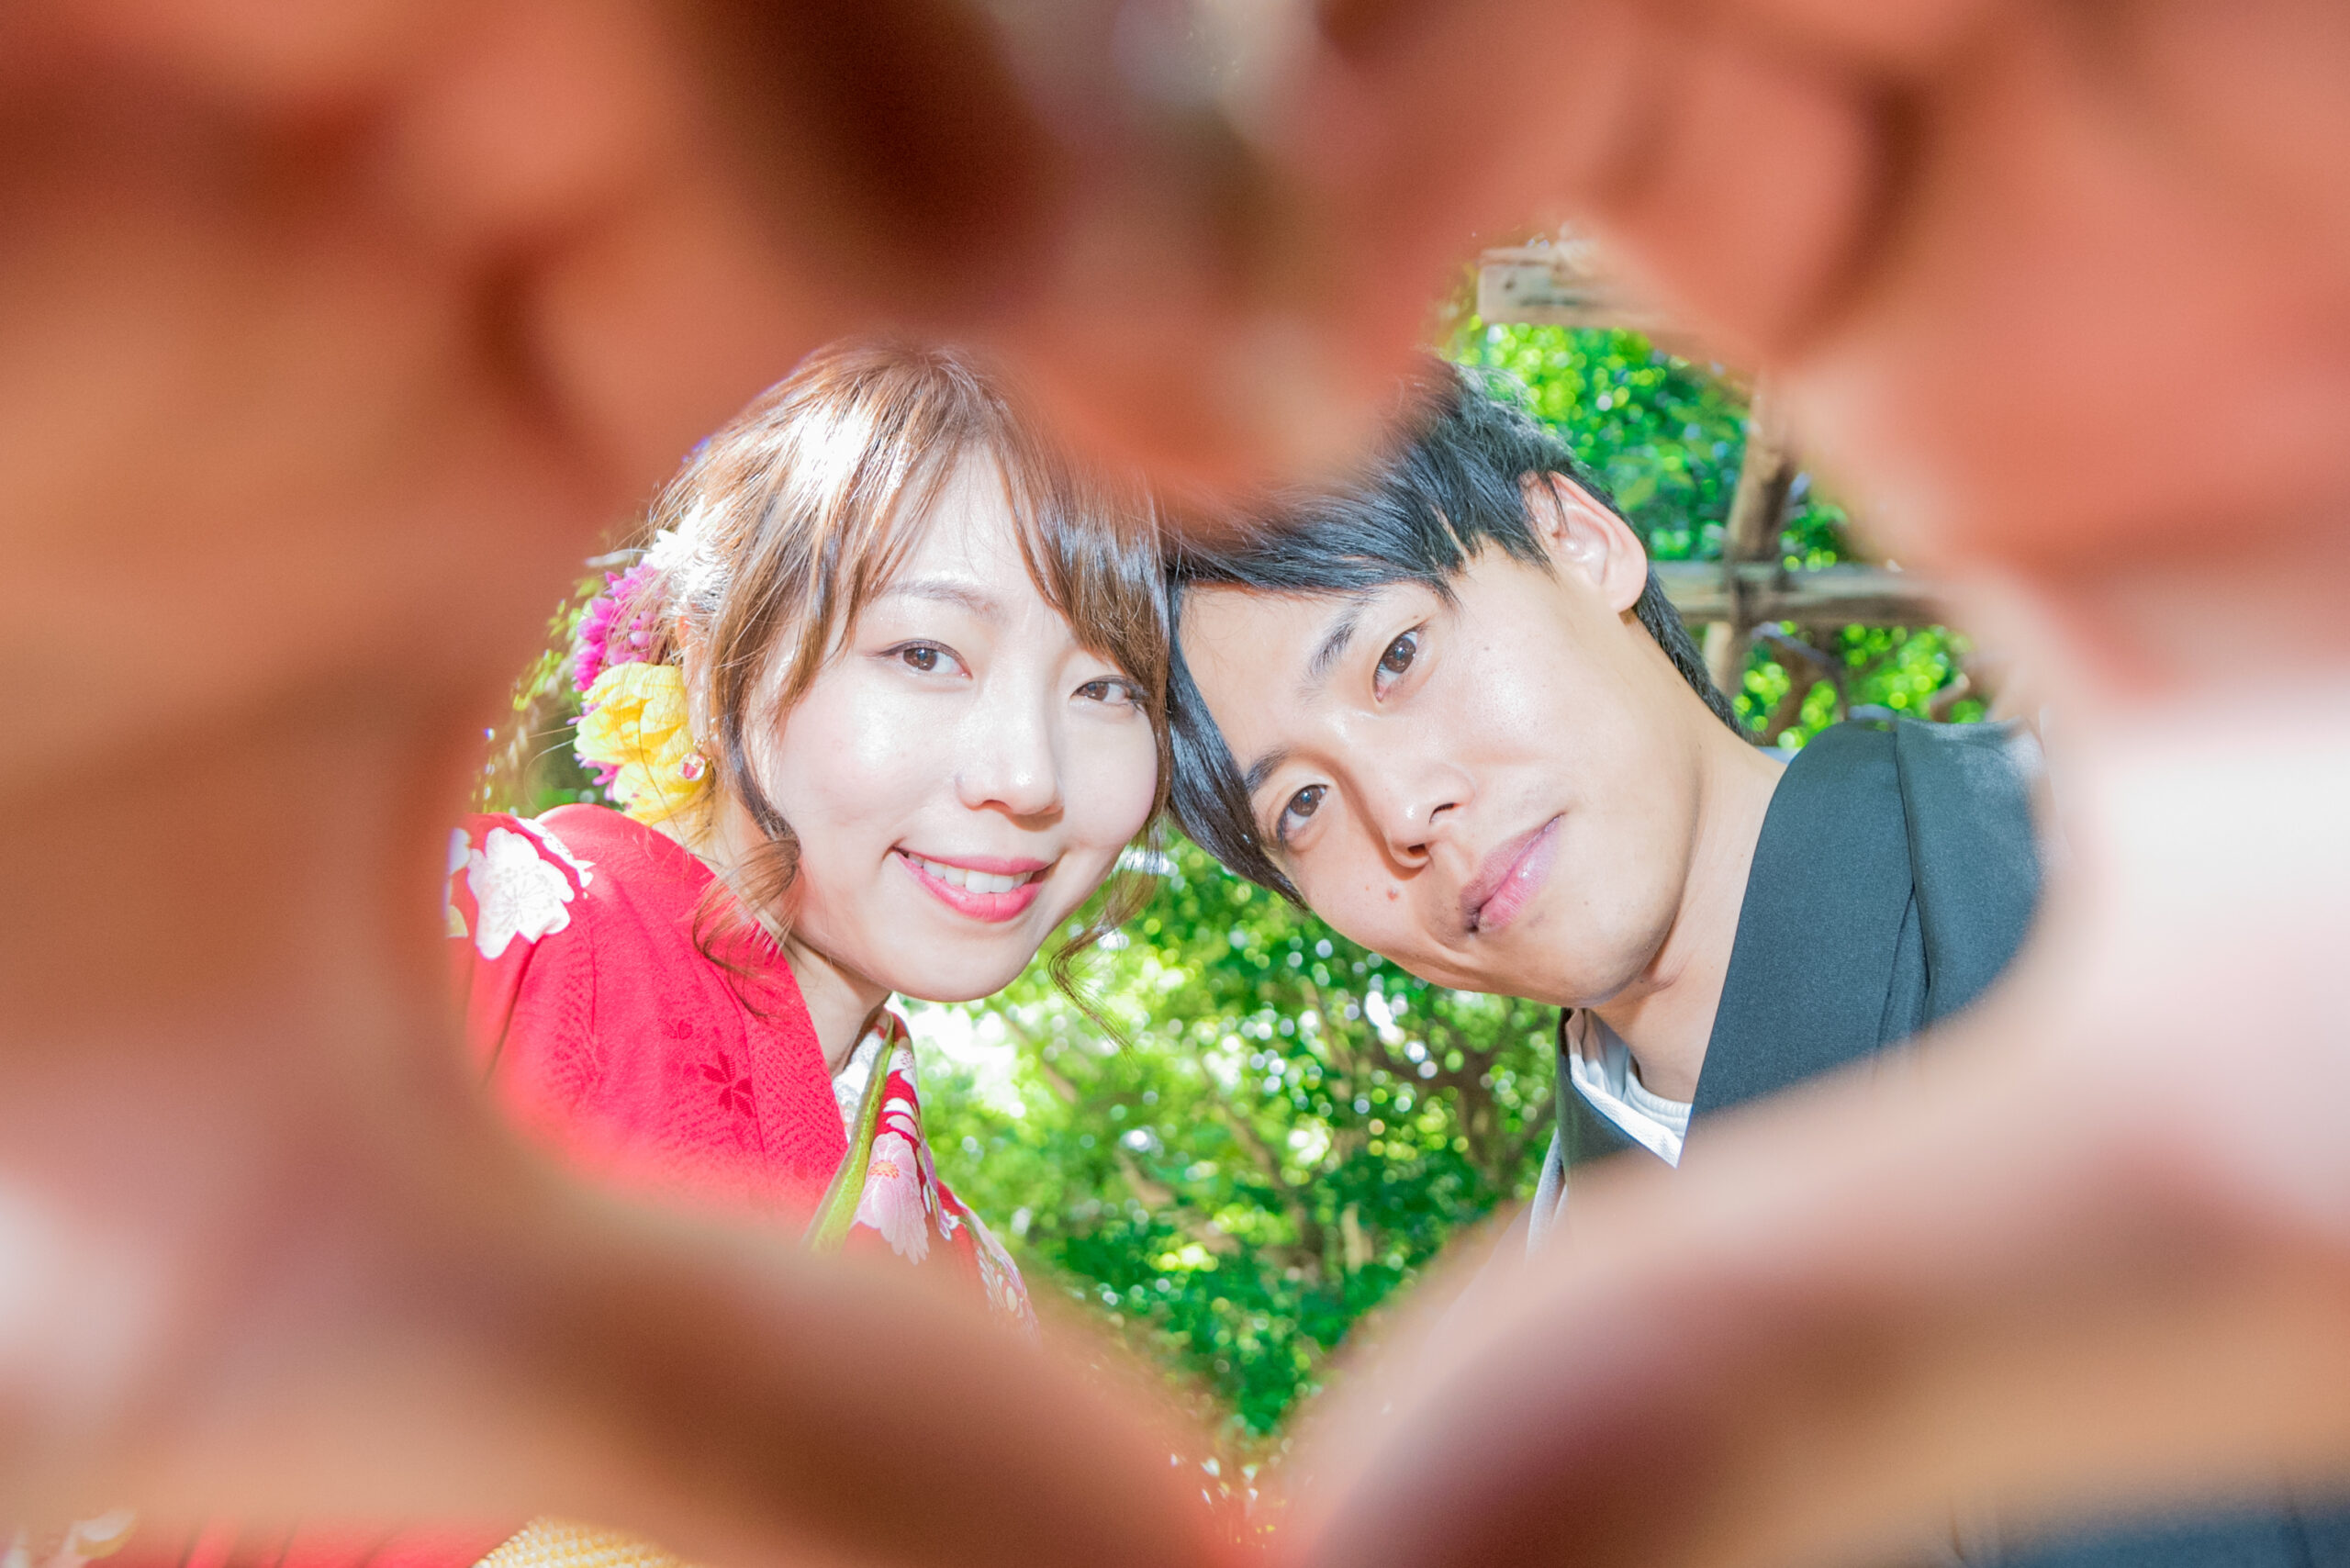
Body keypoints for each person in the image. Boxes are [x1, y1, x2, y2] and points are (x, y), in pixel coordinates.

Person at [1168, 358, 2350, 1567]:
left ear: (1579, 541)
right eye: (1302, 805)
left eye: (1397, 656)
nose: (1403, 808)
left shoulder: (2212, 856)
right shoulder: (1541, 1402)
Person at [96, 338, 1172, 1568]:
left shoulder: (974, 1305)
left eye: (1108, 688)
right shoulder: (442, 948)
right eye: (925, 653)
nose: (1029, 773)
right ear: (711, 659)